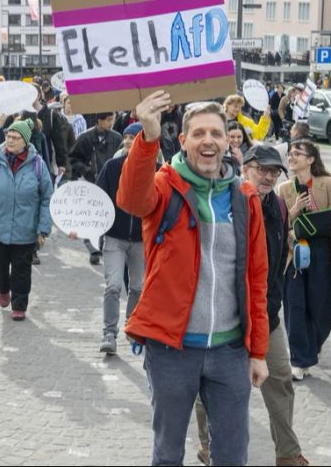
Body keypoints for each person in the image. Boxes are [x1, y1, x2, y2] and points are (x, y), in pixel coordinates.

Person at [117, 92, 269, 466]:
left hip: (230, 351)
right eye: (198, 133)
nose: (208, 141)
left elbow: (258, 278)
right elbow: (132, 199)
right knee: (168, 452)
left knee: (232, 456)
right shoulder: (166, 186)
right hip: (172, 350)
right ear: (183, 141)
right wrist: (148, 138)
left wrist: (259, 351)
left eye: (216, 133)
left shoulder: (245, 198)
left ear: (227, 140)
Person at [196, 145, 309, 467]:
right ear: (245, 168)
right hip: (221, 314)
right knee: (209, 389)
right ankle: (208, 445)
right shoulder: (222, 201)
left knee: (281, 379)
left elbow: (275, 263)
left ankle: (287, 453)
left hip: (265, 314)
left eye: (275, 172)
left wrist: (273, 301)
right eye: (263, 169)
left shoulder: (278, 206)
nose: (270, 177)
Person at [278, 140, 331, 381]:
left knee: (321, 308)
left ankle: (313, 343)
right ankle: (300, 361)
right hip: (294, 252)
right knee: (294, 305)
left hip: (324, 253)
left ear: (311, 159)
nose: (291, 157)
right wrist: (294, 212)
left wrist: (306, 225)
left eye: (297, 154)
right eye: (290, 154)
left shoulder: (328, 183)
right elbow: (280, 225)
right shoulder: (284, 189)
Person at [0, 118, 52, 321]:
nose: (10, 140)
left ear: (25, 141)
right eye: (8, 136)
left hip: (25, 229)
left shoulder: (38, 165)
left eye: (16, 137)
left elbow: (47, 198)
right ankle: (3, 288)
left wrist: (43, 229)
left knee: (21, 269)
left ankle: (19, 305)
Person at [94, 123, 152, 355]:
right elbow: (96, 199)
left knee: (137, 287)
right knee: (114, 286)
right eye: (126, 137)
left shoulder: (156, 168)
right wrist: (83, 227)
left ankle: (132, 326)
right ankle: (109, 333)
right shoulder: (112, 166)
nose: (128, 141)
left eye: (134, 137)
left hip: (141, 240)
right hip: (115, 238)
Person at [70, 111, 122, 265]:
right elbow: (73, 158)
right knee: (92, 215)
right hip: (92, 181)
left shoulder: (116, 138)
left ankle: (104, 244)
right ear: (99, 121)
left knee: (107, 214)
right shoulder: (85, 138)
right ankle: (93, 248)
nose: (110, 123)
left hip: (112, 183)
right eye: (107, 120)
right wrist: (87, 170)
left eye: (112, 120)